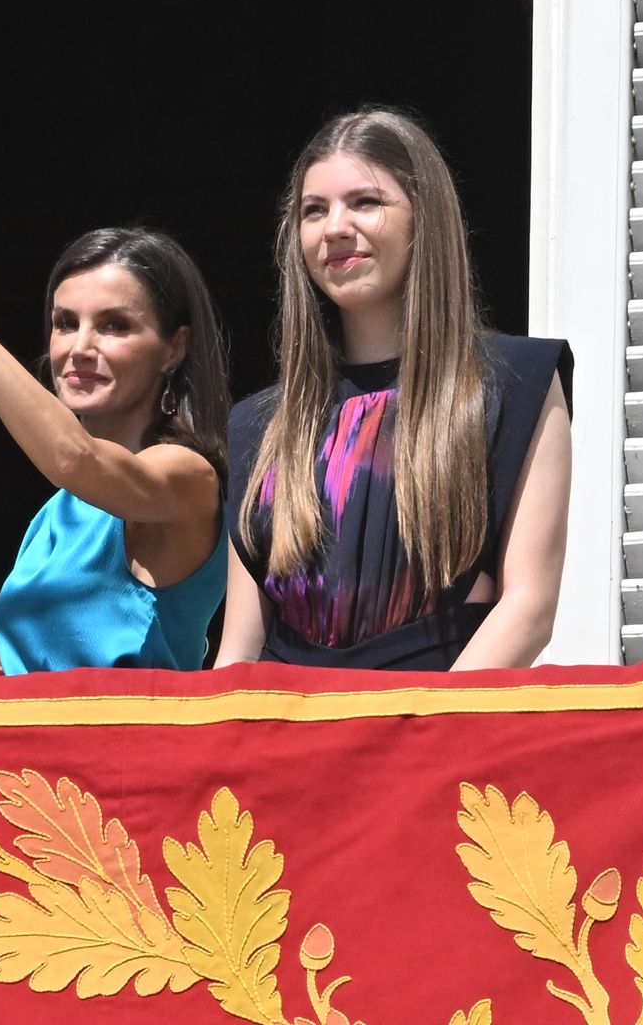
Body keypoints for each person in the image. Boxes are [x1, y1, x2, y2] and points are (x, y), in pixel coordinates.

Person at [214, 108, 572, 672]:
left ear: (423, 218)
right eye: (314, 210)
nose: (334, 227)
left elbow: (529, 607)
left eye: (365, 202)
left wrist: (418, 742)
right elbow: (239, 648)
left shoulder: (515, 381)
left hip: (441, 738)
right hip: (289, 742)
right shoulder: (259, 424)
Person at [0, 213, 230, 672]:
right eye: (66, 323)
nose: (79, 347)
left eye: (114, 325)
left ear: (175, 348)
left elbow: (75, 457)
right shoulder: (60, 509)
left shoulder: (188, 476)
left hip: (125, 741)